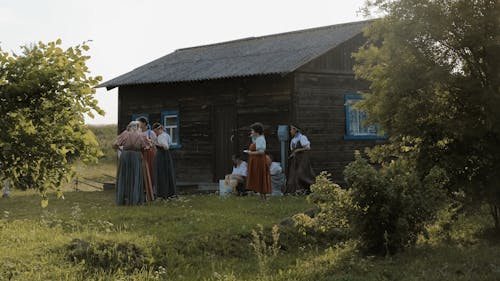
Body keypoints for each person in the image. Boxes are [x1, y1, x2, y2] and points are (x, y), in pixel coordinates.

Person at [113, 121, 146, 205]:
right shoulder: (141, 135)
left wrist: (122, 150)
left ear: (129, 126)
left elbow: (115, 144)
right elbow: (145, 146)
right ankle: (135, 200)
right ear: (137, 127)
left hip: (125, 155)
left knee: (124, 176)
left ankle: (123, 199)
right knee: (135, 176)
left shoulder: (125, 133)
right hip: (136, 155)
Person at [284, 124, 315, 194]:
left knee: (301, 174)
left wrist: (298, 150)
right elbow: (293, 150)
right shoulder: (293, 140)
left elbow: (307, 148)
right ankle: (296, 190)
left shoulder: (302, 137)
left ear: (296, 130)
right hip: (295, 160)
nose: (290, 131)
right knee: (293, 175)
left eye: (291, 129)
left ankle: (307, 189)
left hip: (302, 159)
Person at [244, 122, 271, 200]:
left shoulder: (261, 139)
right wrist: (253, 137)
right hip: (256, 160)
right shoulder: (257, 138)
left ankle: (264, 197)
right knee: (257, 176)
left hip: (259, 160)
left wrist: (250, 153)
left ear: (256, 131)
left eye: (252, 130)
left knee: (260, 176)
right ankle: (261, 196)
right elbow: (255, 145)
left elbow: (261, 151)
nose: (251, 132)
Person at [152, 122, 177, 199]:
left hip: (161, 155)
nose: (155, 133)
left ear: (158, 129)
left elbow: (165, 147)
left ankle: (163, 193)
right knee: (167, 173)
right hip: (166, 156)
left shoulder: (161, 136)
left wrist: (155, 143)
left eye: (155, 131)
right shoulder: (167, 135)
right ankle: (170, 192)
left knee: (162, 173)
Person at [137, 117, 156, 202]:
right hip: (141, 154)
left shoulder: (150, 132)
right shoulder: (138, 132)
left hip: (149, 154)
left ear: (144, 123)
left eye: (139, 123)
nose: (138, 124)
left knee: (150, 171)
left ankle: (151, 190)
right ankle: (142, 189)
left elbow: (154, 144)